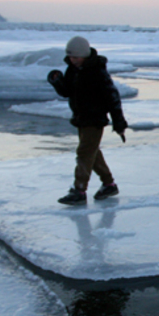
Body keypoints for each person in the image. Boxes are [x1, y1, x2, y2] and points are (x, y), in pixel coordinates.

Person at [47, 36, 128, 205]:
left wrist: (119, 122)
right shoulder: (73, 70)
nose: (72, 60)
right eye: (70, 57)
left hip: (95, 119)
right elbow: (67, 91)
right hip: (81, 118)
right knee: (92, 152)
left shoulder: (97, 72)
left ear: (84, 55)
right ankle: (109, 184)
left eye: (76, 57)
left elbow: (112, 97)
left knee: (84, 153)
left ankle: (79, 190)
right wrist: (57, 82)